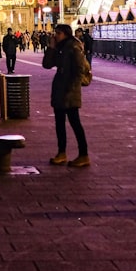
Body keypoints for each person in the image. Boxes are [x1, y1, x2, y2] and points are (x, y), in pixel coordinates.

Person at [42, 23, 90, 167]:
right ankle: (61, 152)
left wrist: (72, 89)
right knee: (59, 123)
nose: (55, 36)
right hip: (59, 89)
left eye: (58, 33)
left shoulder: (73, 47)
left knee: (75, 123)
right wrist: (51, 47)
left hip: (69, 90)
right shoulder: (60, 48)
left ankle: (84, 155)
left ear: (65, 34)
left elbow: (79, 70)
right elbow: (47, 64)